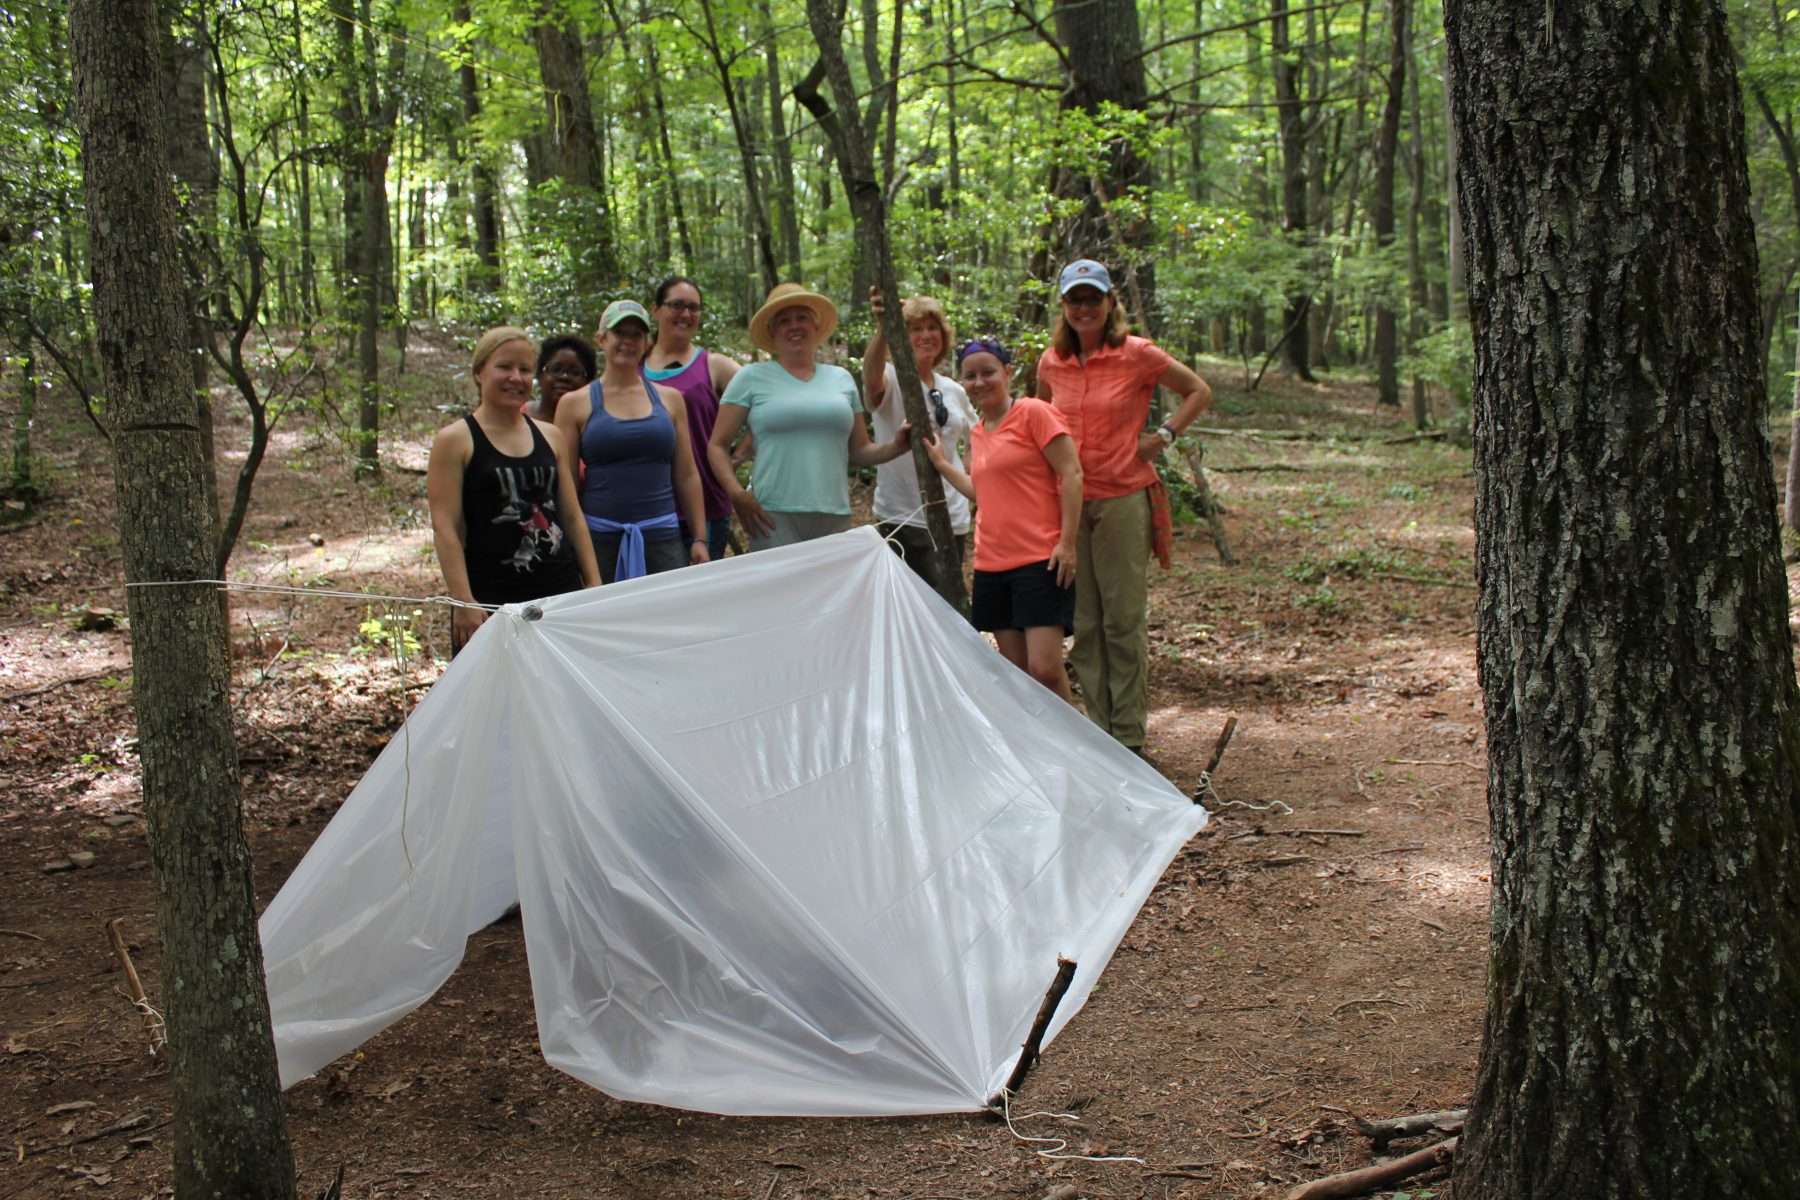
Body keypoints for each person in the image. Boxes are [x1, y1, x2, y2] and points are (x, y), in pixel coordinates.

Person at [1035, 258, 1213, 753]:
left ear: (1110, 302)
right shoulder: (1051, 361)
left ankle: (1130, 739)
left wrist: (1163, 436)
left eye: (1094, 298)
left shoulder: (1137, 354)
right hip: (1069, 507)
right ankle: (1100, 737)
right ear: (1064, 306)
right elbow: (1038, 425)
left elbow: (1198, 390)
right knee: (1086, 624)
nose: (1085, 308)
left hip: (1122, 498)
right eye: (1076, 299)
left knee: (1122, 622)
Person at [926, 337, 1083, 702]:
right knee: (1017, 675)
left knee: (1045, 669)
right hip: (992, 565)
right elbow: (984, 492)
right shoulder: (979, 431)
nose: (979, 382)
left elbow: (1071, 473)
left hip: (1040, 559)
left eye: (988, 372)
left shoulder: (1033, 413)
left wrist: (1068, 543)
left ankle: (1076, 752)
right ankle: (1035, 752)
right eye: (970, 376)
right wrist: (942, 465)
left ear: (1007, 372)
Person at [427, 326, 600, 653]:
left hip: (558, 592)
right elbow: (445, 527)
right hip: (490, 597)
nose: (516, 378)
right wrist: (463, 600)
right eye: (504, 367)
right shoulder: (455, 440)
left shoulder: (551, 436)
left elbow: (572, 516)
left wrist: (592, 583)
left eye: (524, 370)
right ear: (480, 373)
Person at [707, 282, 912, 550]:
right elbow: (717, 445)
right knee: (781, 592)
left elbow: (860, 450)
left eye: (802, 317)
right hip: (772, 515)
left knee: (829, 592)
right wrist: (736, 494)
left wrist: (896, 446)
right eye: (784, 320)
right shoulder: (751, 378)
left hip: (833, 513)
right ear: (772, 331)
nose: (794, 326)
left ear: (815, 327)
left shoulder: (841, 379)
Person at [556, 300, 710, 582]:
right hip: (600, 538)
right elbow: (566, 483)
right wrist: (571, 542)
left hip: (662, 535)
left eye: (636, 334)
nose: (628, 342)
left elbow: (687, 474)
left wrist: (699, 538)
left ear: (647, 342)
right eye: (620, 333)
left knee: (666, 619)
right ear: (602, 339)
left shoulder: (670, 399)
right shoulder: (574, 404)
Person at [864, 288, 974, 579]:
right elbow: (872, 380)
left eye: (932, 328)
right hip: (902, 515)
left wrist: (971, 480)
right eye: (915, 329)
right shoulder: (891, 377)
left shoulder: (954, 389)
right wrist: (884, 329)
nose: (926, 335)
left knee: (947, 599)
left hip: (953, 515)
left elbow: (978, 438)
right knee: (905, 605)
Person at [642, 277, 742, 561]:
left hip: (707, 508)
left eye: (693, 308)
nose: (685, 314)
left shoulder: (714, 366)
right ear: (656, 310)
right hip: (650, 513)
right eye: (677, 305)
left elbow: (766, 401)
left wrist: (735, 456)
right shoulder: (634, 368)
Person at [528, 334, 596, 423]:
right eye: (556, 370)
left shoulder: (592, 427)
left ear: (588, 382)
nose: (564, 377)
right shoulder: (517, 415)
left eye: (575, 372)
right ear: (539, 374)